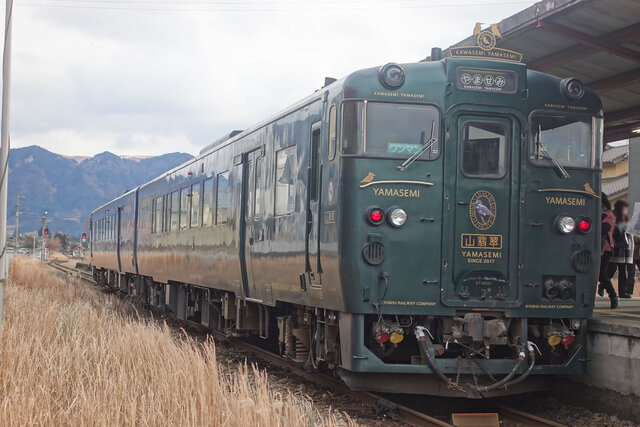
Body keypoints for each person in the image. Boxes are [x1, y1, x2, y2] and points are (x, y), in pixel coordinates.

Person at [608, 200, 634, 298]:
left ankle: (622, 292)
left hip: (626, 249)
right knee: (612, 269)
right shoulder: (614, 217)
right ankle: (603, 285)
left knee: (623, 271)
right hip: (617, 248)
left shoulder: (627, 218)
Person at [597, 193, 618, 308]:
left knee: (601, 275)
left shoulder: (609, 215)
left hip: (605, 248)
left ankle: (613, 296)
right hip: (591, 247)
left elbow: (604, 228)